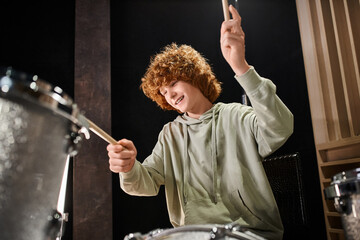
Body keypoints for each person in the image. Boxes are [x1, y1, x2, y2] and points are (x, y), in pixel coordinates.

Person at [107, 5, 293, 240]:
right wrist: (128, 167)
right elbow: (146, 182)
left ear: (194, 75)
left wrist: (240, 67)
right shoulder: (170, 134)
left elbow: (281, 127)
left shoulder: (236, 115)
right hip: (189, 234)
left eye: (173, 83)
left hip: (247, 232)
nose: (170, 95)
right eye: (163, 92)